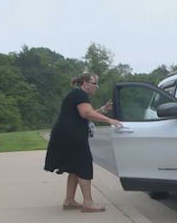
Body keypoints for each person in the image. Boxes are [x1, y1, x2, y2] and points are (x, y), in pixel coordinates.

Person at [44, 72, 121, 212]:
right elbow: (86, 113)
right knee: (84, 165)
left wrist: (103, 109)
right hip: (71, 136)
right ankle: (88, 203)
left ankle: (69, 201)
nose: (96, 86)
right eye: (94, 83)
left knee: (74, 168)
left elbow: (85, 113)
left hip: (66, 135)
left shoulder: (76, 94)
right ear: (85, 84)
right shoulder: (80, 95)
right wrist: (109, 120)